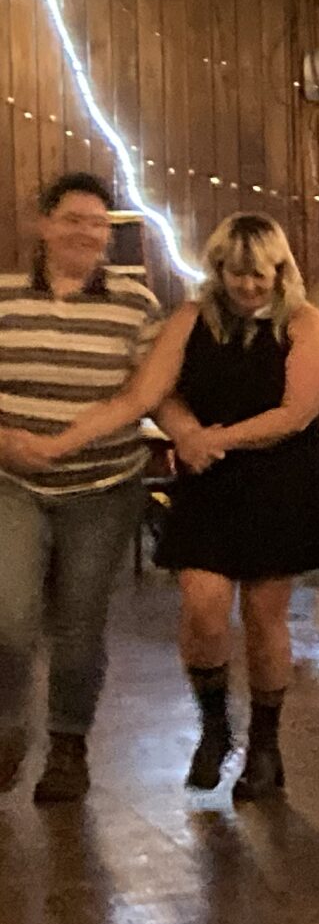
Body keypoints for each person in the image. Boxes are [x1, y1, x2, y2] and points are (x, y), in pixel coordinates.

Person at [150, 215, 319, 801]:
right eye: (238, 276)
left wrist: (217, 439)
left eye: (261, 276)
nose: (250, 288)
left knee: (266, 617)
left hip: (279, 478)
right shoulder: (190, 319)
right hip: (209, 482)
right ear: (218, 271)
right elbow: (158, 389)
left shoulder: (304, 323)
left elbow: (297, 411)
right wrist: (185, 430)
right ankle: (214, 729)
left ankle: (266, 747)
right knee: (204, 608)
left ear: (281, 271)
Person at [0, 172, 165, 803]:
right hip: (12, 482)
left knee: (79, 624)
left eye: (99, 223)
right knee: (10, 618)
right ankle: (7, 726)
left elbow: (147, 391)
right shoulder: (7, 297)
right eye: (74, 219)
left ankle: (69, 745)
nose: (88, 233)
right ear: (42, 225)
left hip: (102, 485)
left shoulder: (135, 304)